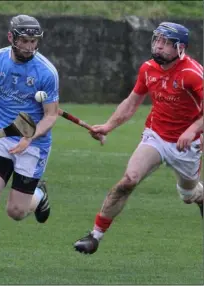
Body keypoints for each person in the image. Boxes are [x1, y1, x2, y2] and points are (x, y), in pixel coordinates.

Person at [74, 22, 203, 255]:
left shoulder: (192, 73)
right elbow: (132, 102)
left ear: (180, 48)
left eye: (166, 43)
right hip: (155, 136)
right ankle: (94, 236)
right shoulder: (148, 69)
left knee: (188, 195)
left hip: (186, 145)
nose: (159, 46)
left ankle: (199, 196)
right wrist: (108, 126)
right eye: (157, 40)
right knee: (128, 180)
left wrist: (192, 129)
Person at [0, 14, 59, 275]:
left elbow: (51, 114)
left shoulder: (46, 71)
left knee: (17, 211)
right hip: (1, 137)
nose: (30, 47)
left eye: (34, 41)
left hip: (34, 143)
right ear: (11, 38)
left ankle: (38, 196)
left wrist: (30, 137)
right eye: (25, 41)